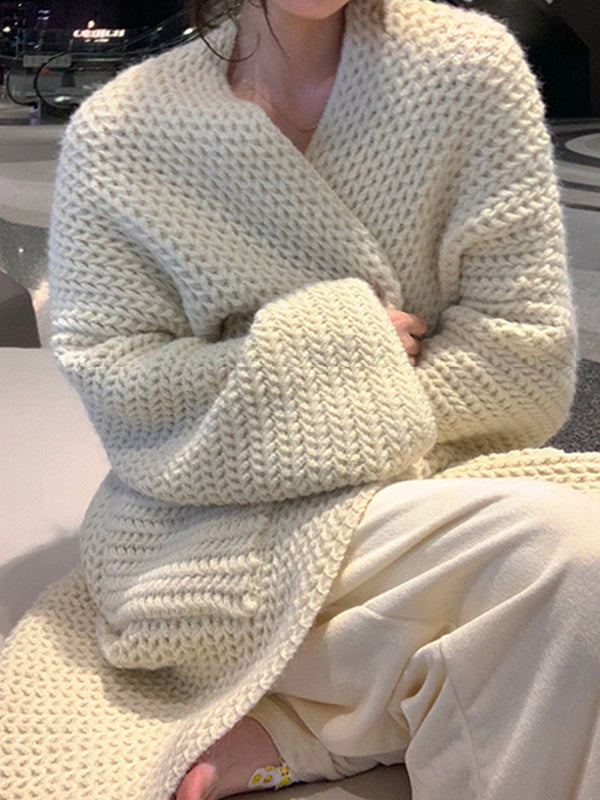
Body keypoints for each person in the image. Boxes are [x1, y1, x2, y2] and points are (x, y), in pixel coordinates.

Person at [22, 0, 600, 798]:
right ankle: (355, 710)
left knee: (565, 573)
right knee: (566, 561)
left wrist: (307, 415)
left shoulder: (468, 71)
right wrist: (338, 354)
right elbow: (126, 394)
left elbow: (520, 359)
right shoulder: (121, 130)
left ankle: (322, 719)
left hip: (425, 498)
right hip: (204, 534)